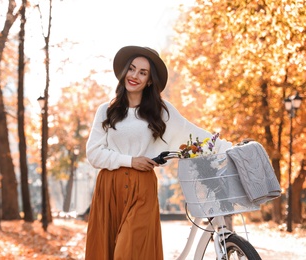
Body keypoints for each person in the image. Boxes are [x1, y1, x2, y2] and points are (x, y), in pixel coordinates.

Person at [85, 46, 232, 260]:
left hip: (141, 190)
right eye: (132, 69)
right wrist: (130, 161)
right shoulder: (106, 111)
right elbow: (94, 153)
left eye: (142, 73)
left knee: (127, 253)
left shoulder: (162, 112)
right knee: (106, 253)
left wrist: (226, 148)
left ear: (150, 80)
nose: (135, 76)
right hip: (109, 189)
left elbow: (193, 134)